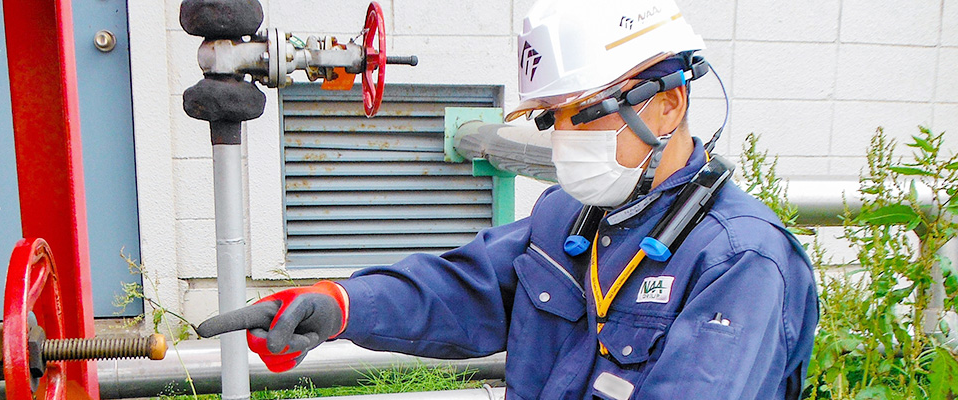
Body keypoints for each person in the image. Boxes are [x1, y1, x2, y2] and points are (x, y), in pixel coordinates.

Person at [197, 0, 819, 398]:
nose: (568, 138)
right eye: (554, 119)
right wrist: (341, 305)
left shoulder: (740, 262)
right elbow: (461, 289)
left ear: (670, 101)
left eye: (588, 112)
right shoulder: (566, 218)